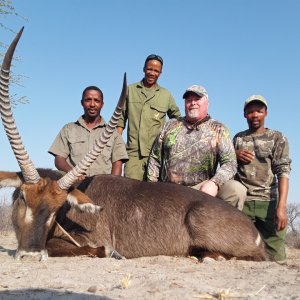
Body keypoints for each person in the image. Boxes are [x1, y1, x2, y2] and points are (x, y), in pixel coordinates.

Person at [147, 85, 246, 210]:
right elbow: (155, 158)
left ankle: (220, 228)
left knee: (236, 190)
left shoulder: (219, 128)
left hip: (202, 190)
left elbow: (230, 164)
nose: (193, 103)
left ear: (207, 103)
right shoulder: (170, 125)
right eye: (188, 100)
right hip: (170, 190)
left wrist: (214, 183)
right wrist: (152, 188)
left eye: (197, 99)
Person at [233, 95, 291, 263]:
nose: (255, 115)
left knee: (276, 258)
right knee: (241, 254)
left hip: (269, 203)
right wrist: (234, 154)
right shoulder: (238, 138)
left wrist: (281, 208)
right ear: (244, 115)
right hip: (245, 204)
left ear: (266, 113)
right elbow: (227, 164)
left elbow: (284, 172)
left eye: (259, 111)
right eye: (250, 112)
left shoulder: (278, 138)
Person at [117, 54, 181, 181]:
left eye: (156, 71)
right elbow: (120, 120)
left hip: (157, 155)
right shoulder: (130, 90)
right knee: (131, 192)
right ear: (144, 69)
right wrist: (118, 147)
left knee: (156, 194)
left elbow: (178, 120)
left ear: (161, 73)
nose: (152, 73)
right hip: (134, 154)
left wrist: (170, 143)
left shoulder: (166, 95)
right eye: (149, 69)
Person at [49, 85, 128, 177]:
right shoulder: (68, 129)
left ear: (102, 104)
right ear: (82, 103)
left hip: (102, 185)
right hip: (74, 183)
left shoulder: (113, 133)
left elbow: (117, 163)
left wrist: (112, 184)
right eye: (88, 100)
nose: (92, 104)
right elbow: (59, 159)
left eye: (97, 101)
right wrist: (73, 173)